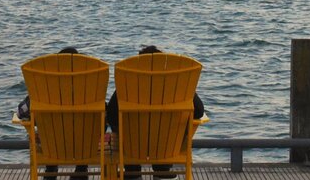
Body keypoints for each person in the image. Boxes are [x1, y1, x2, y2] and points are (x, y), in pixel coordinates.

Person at [106, 45, 205, 180]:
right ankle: (162, 170)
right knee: (169, 129)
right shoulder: (178, 86)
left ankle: (133, 172)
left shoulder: (127, 86)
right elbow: (199, 112)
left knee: (124, 128)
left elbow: (111, 115)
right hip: (167, 149)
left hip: (133, 148)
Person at [17, 46, 88, 180]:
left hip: (52, 146)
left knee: (50, 129)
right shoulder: (89, 90)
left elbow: (22, 112)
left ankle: (50, 170)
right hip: (83, 146)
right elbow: (104, 113)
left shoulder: (44, 90)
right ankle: (81, 170)